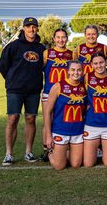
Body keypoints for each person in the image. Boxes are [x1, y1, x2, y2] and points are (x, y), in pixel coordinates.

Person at [0, 17, 46, 166]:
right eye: (28, 26)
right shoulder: (13, 46)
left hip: (33, 90)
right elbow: (2, 66)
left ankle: (28, 152)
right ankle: (9, 154)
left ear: (37, 29)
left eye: (34, 27)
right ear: (23, 28)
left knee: (31, 119)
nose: (31, 29)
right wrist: (12, 80)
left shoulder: (41, 48)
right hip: (15, 90)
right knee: (12, 119)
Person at [44, 61, 86, 170]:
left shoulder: (84, 87)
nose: (76, 73)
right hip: (60, 130)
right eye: (73, 70)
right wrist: (48, 136)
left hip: (78, 131)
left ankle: (63, 153)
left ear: (82, 71)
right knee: (59, 166)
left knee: (76, 164)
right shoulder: (58, 86)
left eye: (79, 70)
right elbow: (48, 112)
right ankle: (49, 153)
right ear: (68, 71)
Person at [40, 28, 74, 161]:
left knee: (64, 119)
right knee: (48, 120)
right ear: (54, 39)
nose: (61, 40)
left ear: (67, 38)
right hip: (49, 91)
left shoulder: (72, 54)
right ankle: (47, 150)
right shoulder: (47, 53)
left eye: (63, 37)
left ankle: (64, 147)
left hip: (66, 93)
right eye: (58, 37)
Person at [83, 52, 107, 167]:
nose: (99, 66)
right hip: (92, 123)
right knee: (88, 164)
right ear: (91, 65)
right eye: (96, 63)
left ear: (106, 62)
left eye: (101, 62)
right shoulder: (87, 77)